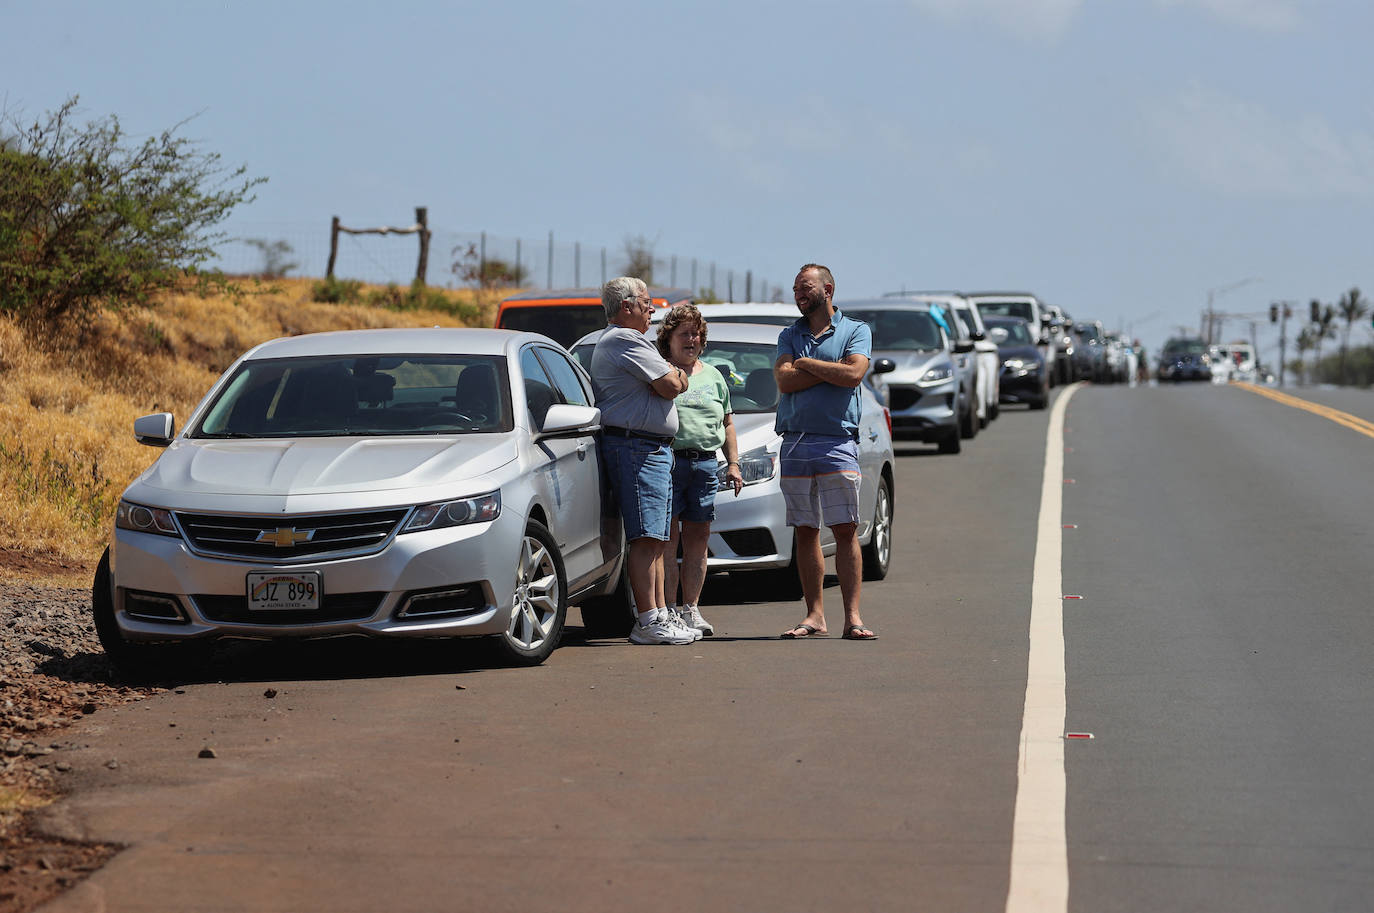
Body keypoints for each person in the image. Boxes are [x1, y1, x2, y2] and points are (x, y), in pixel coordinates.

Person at [589, 277, 698, 645]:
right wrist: (678, 375)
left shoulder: (633, 341)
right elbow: (670, 384)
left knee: (656, 539)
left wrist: (672, 376)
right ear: (626, 307)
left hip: (651, 448)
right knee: (646, 538)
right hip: (637, 448)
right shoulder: (624, 339)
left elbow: (668, 380)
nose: (652, 310)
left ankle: (659, 613)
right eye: (647, 303)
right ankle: (648, 620)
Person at [773, 263, 878, 640]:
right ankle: (814, 615)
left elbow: (853, 375)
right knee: (805, 530)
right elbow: (785, 381)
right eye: (796, 288)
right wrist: (831, 368)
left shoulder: (856, 330)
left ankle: (854, 617)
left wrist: (807, 363)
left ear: (828, 290)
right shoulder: (790, 334)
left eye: (806, 287)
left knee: (845, 529)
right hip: (796, 442)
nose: (799, 294)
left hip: (837, 441)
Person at [656, 304, 744, 636]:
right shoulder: (662, 373)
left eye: (696, 333)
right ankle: (667, 610)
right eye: (684, 334)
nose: (691, 340)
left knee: (698, 538)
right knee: (668, 540)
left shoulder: (714, 376)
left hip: (706, 464)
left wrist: (733, 464)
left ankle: (690, 609)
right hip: (669, 463)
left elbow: (728, 423)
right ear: (670, 340)